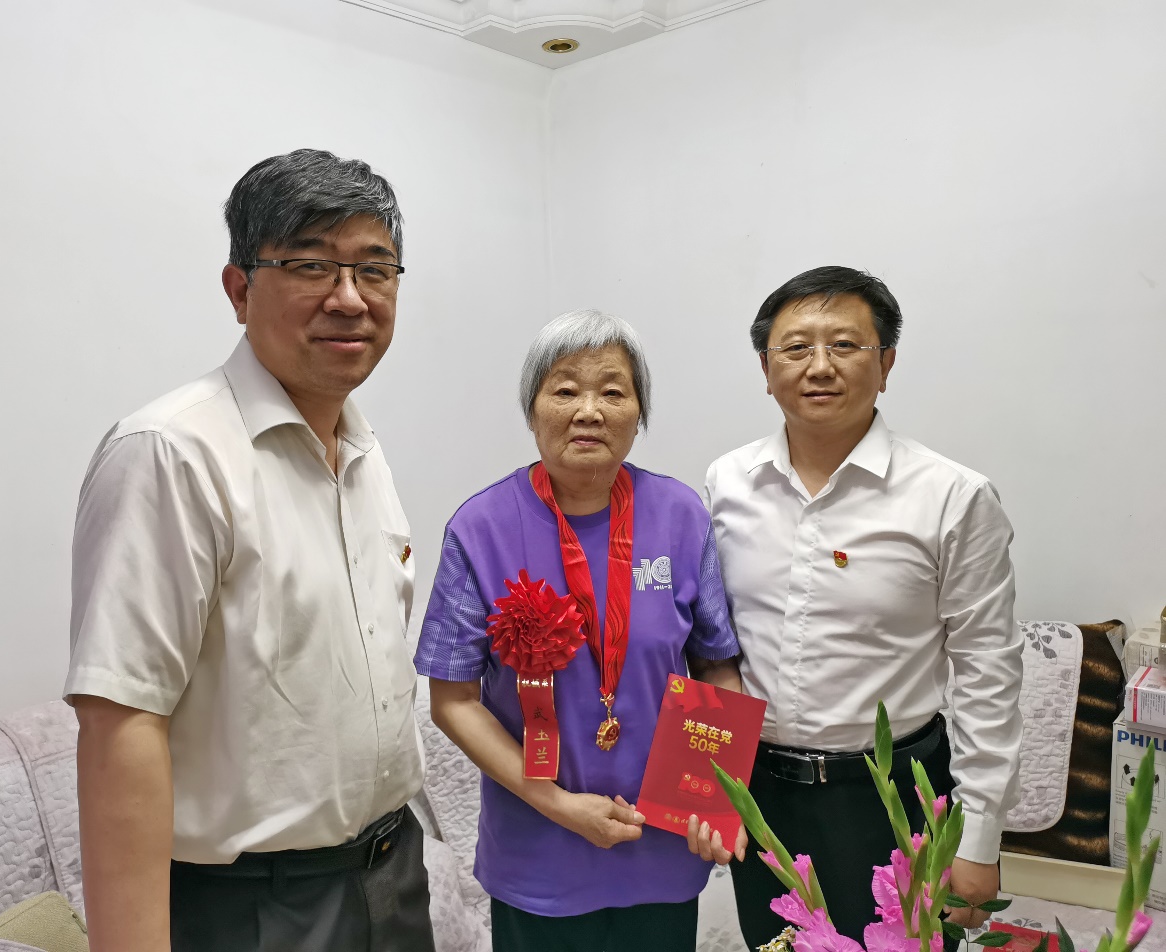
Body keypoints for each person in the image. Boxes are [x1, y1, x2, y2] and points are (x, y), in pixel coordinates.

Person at [65, 149, 434, 952]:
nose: (349, 298)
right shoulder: (171, 453)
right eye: (311, 265)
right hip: (256, 908)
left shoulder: (364, 450)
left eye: (375, 270)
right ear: (239, 289)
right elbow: (122, 720)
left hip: (391, 876)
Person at [704, 266, 1022, 947]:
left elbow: (988, 672)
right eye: (796, 348)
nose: (819, 366)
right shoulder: (726, 483)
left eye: (845, 345)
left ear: (887, 363)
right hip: (762, 792)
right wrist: (704, 791)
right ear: (765, 368)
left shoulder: (953, 496)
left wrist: (979, 839)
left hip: (893, 795)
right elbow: (711, 644)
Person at [414, 310, 745, 952]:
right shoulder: (481, 528)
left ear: (638, 413)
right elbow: (452, 700)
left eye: (613, 391)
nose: (589, 410)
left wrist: (711, 791)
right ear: (532, 409)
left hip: (661, 842)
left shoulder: (680, 515)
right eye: (565, 389)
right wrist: (559, 805)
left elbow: (715, 665)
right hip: (537, 850)